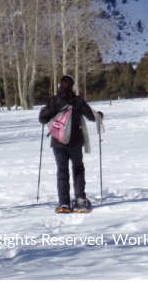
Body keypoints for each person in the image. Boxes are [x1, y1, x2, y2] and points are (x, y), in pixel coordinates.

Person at [38, 75, 103, 213]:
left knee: (62, 171)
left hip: (58, 142)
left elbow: (43, 120)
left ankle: (64, 204)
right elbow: (91, 117)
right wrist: (100, 115)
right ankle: (80, 199)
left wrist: (43, 111)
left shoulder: (54, 101)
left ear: (59, 86)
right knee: (78, 168)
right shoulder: (77, 100)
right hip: (75, 141)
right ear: (73, 86)